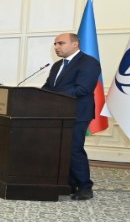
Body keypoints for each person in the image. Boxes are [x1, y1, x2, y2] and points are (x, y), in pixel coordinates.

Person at [43, 32, 102, 200]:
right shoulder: (57, 65)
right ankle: (69, 183)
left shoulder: (89, 62)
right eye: (55, 44)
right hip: (58, 113)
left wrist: (54, 96)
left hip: (78, 113)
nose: (56, 47)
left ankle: (85, 187)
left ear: (75, 44)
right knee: (61, 149)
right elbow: (49, 86)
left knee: (73, 149)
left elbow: (83, 89)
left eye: (61, 43)